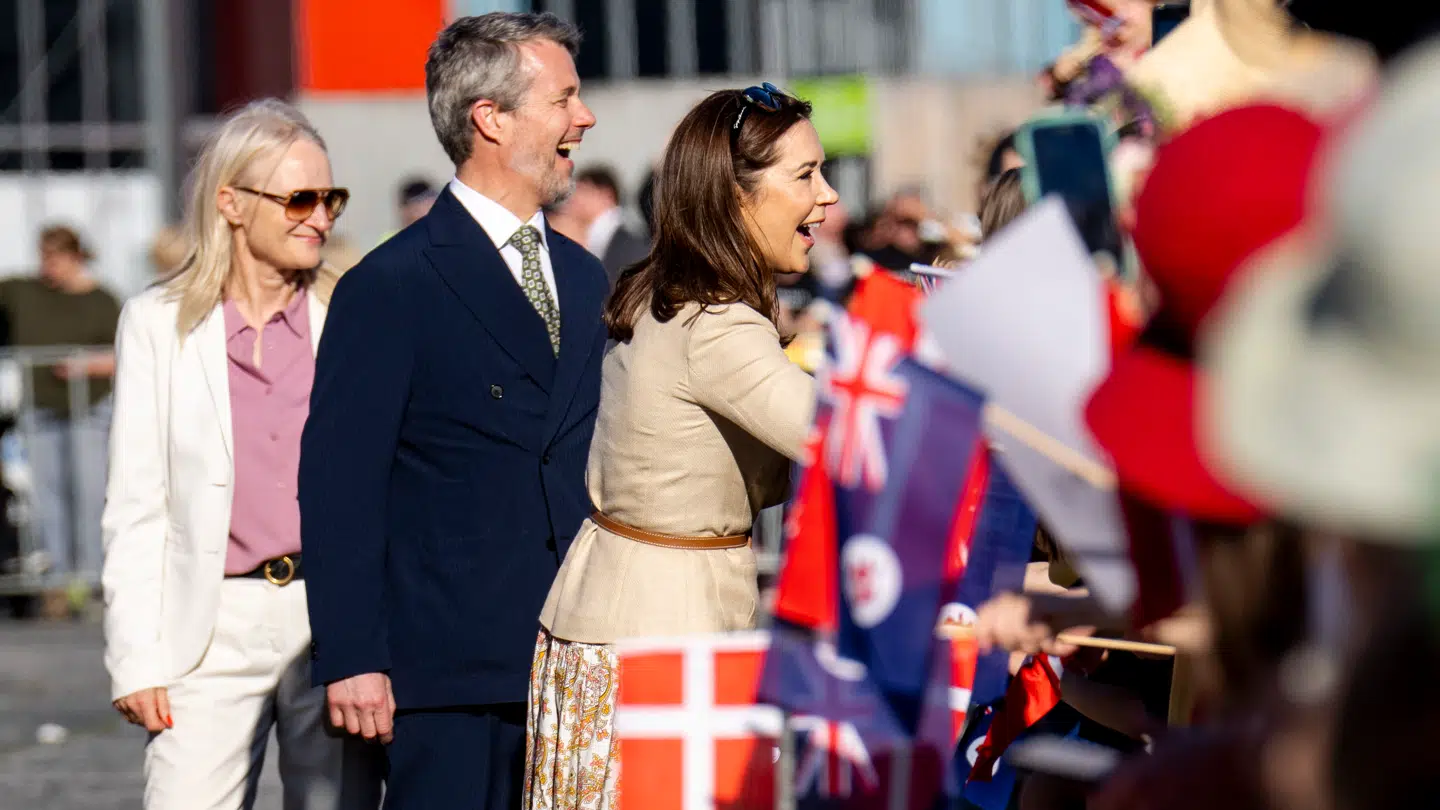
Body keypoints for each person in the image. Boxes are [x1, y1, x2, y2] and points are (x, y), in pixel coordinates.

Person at [298, 12, 605, 810]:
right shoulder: (389, 287)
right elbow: (340, 489)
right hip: (446, 683)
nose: (584, 117)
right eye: (563, 98)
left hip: (580, 662)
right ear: (490, 118)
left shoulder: (586, 279)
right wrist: (352, 655)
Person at [522, 82, 837, 809]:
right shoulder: (717, 324)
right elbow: (849, 439)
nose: (826, 197)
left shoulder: (677, 298)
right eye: (805, 175)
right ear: (735, 198)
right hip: (661, 638)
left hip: (626, 619)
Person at [101, 98, 383, 809]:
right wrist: (135, 658)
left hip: (331, 618)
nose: (320, 218)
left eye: (330, 199)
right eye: (299, 199)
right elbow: (136, 504)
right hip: (206, 627)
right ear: (230, 202)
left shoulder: (351, 314)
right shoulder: (156, 324)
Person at [0, 225, 119, 607]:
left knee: (88, 492)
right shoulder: (23, 292)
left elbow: (125, 352)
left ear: (76, 255)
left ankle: (91, 577)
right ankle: (58, 581)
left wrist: (86, 366)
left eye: (56, 257)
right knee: (47, 496)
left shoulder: (103, 301)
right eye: (44, 256)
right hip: (41, 409)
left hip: (89, 407)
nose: (48, 266)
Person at [569, 165, 649, 289]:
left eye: (583, 190)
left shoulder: (630, 242)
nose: (575, 199)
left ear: (607, 194)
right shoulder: (594, 237)